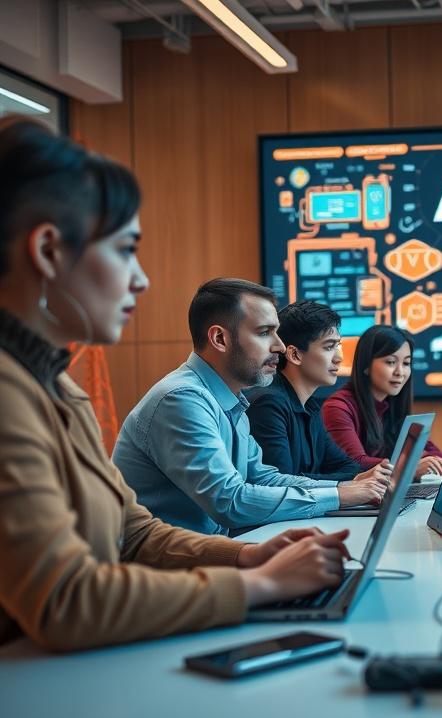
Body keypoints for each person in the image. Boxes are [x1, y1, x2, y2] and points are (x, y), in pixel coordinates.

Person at [0, 117, 354, 651]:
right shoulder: (9, 396)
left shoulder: (58, 387)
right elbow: (64, 602)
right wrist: (259, 584)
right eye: (124, 249)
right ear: (49, 251)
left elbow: (135, 532)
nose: (140, 278)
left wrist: (246, 555)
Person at [113, 279, 389, 535]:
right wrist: (341, 495)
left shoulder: (230, 401)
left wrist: (345, 488)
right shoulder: (181, 399)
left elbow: (264, 478)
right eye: (265, 332)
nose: (280, 346)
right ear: (220, 339)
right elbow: (229, 501)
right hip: (163, 573)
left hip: (205, 557)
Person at [247, 300, 390, 484]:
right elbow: (281, 484)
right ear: (295, 355)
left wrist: (355, 479)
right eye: (329, 347)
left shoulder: (310, 405)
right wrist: (347, 483)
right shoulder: (268, 404)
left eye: (337, 346)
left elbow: (348, 466)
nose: (339, 358)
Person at [322, 324, 442, 479]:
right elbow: (355, 463)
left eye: (406, 363)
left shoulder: (393, 405)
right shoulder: (337, 407)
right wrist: (408, 468)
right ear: (366, 365)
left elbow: (437, 456)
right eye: (390, 362)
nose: (400, 372)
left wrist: (428, 460)